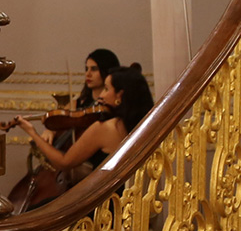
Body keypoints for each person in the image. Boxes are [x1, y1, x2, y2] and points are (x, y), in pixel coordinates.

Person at [16, 62, 155, 174]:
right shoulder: (146, 126)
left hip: (104, 200)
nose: (101, 95)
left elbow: (64, 162)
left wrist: (32, 133)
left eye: (106, 89)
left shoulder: (106, 128)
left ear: (120, 95)